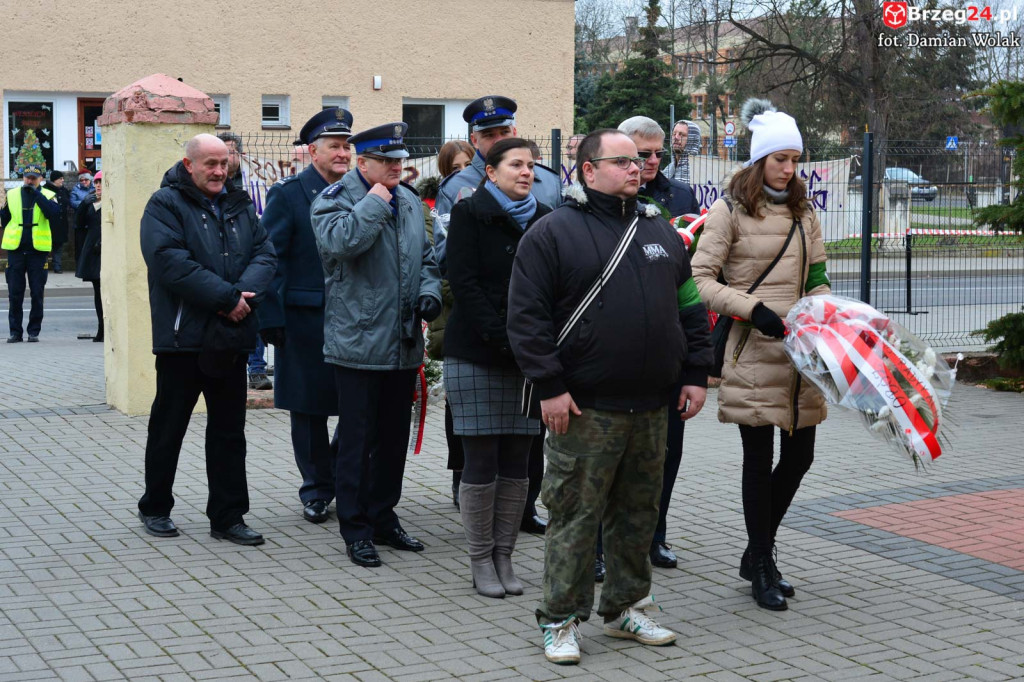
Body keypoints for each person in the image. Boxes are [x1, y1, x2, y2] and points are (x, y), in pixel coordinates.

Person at [507, 129, 712, 664]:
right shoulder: (551, 233)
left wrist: (695, 371)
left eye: (642, 159)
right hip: (583, 406)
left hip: (653, 403)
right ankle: (560, 619)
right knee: (574, 513)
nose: (637, 167)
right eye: (623, 160)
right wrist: (549, 386)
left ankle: (625, 607)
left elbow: (689, 308)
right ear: (588, 170)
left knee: (638, 511)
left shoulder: (662, 231)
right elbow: (526, 320)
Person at [691, 100, 831, 611]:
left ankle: (755, 551)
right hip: (753, 349)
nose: (790, 169)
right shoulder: (728, 210)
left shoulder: (804, 209)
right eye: (780, 159)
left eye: (795, 159)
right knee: (759, 458)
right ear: (758, 161)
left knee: (801, 456)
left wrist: (824, 313)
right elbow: (700, 280)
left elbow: (816, 273)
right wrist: (752, 309)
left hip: (801, 355)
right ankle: (763, 566)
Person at [310, 122, 442, 568]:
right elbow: (341, 244)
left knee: (392, 439)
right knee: (357, 439)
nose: (395, 168)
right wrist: (372, 202)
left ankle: (384, 517)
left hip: (402, 340)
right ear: (361, 161)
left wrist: (430, 292)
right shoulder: (334, 201)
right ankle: (355, 528)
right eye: (386, 161)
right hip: (359, 340)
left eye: (399, 161)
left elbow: (427, 256)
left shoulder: (407, 200)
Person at [137, 133, 276, 545]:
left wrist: (242, 297)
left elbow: (265, 254)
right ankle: (156, 506)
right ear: (189, 165)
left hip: (229, 336)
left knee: (229, 432)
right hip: (183, 339)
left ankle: (228, 517)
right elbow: (168, 262)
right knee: (169, 427)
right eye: (210, 164)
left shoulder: (240, 204)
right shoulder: (164, 204)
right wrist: (226, 298)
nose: (219, 171)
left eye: (224, 162)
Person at [444, 138, 552, 598]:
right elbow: (463, 283)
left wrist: (533, 344)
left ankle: (505, 556)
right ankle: (480, 559)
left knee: (519, 460)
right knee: (482, 458)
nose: (525, 172)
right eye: (515, 165)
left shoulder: (547, 220)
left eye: (531, 165)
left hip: (527, 356)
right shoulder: (469, 213)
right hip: (477, 353)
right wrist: (506, 339)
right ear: (490, 172)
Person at [258, 108, 353, 524]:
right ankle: (315, 488)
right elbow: (270, 257)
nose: (344, 153)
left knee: (355, 404)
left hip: (354, 318)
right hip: (304, 317)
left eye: (347, 146)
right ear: (312, 151)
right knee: (309, 408)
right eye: (334, 146)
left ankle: (336, 476)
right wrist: (270, 315)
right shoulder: (289, 192)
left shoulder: (360, 191)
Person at [618, 115, 702, 570]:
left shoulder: (681, 196)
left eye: (656, 154)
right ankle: (603, 543)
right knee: (615, 454)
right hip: (620, 344)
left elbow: (696, 271)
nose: (650, 162)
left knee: (668, 450)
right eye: (639, 154)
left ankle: (656, 533)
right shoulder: (608, 197)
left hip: (669, 341)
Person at [425, 139, 474, 509]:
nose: (463, 175)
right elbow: (435, 264)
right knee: (458, 404)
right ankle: (460, 476)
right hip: (452, 314)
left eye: (467, 166)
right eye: (455, 169)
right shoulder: (434, 208)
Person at [434, 95, 562, 223]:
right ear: (474, 141)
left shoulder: (549, 181)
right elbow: (446, 241)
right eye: (489, 135)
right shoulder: (453, 188)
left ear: (515, 133)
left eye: (504, 132)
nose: (499, 140)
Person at [218, 132, 270, 390]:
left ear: (240, 154)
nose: (226, 159)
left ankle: (257, 367)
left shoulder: (254, 179)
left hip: (251, 254)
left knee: (254, 309)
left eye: (230, 152)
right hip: (226, 259)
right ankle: (252, 366)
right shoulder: (215, 185)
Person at [2, 165, 61, 343]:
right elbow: (4, 218)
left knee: (37, 292)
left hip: (38, 251)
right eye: (27, 177)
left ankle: (33, 331)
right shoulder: (11, 194)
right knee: (15, 293)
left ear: (40, 179)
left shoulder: (49, 195)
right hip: (16, 249)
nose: (30, 181)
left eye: (34, 178)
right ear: (23, 178)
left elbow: (53, 213)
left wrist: (37, 194)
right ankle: (15, 332)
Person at [75, 171, 104, 342]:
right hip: (93, 251)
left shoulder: (111, 201)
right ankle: (101, 328)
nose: (98, 185)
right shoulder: (91, 202)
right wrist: (84, 205)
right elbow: (79, 224)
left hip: (106, 249)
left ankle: (107, 328)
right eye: (97, 182)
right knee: (98, 292)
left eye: (101, 181)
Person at [43, 170, 72, 274]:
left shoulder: (63, 190)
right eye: (60, 178)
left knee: (58, 246)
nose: (63, 180)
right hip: (49, 223)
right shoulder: (45, 190)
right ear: (54, 180)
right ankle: (43, 266)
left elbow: (68, 202)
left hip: (61, 223)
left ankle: (57, 266)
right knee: (46, 246)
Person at [664, 120, 703, 184]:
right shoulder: (667, 170)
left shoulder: (699, 171)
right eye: (674, 134)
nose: (676, 137)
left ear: (692, 139)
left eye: (682, 135)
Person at [70, 170, 94, 261]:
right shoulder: (76, 189)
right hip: (80, 221)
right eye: (81, 180)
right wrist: (85, 202)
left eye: (86, 180)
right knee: (80, 245)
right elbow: (72, 202)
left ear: (90, 180)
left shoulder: (94, 187)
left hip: (92, 221)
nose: (83, 182)